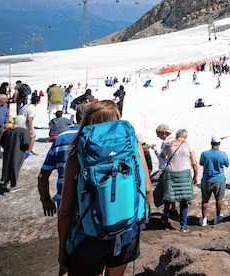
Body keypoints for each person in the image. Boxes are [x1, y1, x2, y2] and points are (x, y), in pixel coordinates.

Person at [57, 100, 153, 275]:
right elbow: (147, 188)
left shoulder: (78, 153)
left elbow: (65, 210)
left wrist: (62, 248)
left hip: (88, 235)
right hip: (125, 232)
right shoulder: (132, 146)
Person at [38, 107, 82, 216]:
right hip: (94, 201)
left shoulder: (61, 138)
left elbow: (43, 175)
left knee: (67, 231)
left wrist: (45, 199)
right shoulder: (100, 139)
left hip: (65, 201)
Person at [159, 129, 199, 232]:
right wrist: (195, 175)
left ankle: (165, 216)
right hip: (184, 174)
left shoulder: (169, 144)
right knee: (184, 199)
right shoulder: (188, 145)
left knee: (169, 196)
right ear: (185, 136)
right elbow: (194, 163)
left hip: (171, 172)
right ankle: (183, 226)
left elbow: (162, 156)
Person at [199, 135, 229, 226]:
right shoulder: (223, 154)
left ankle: (204, 218)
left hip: (206, 179)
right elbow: (227, 164)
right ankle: (218, 217)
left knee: (205, 200)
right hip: (219, 179)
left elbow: (201, 163)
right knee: (219, 198)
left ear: (211, 143)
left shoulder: (204, 154)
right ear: (219, 144)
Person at [0, 115, 31, 193]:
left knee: (6, 166)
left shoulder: (8, 130)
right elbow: (26, 142)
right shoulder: (23, 131)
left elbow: (1, 142)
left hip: (7, 152)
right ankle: (13, 185)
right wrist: (25, 149)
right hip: (18, 152)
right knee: (15, 167)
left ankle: (5, 182)